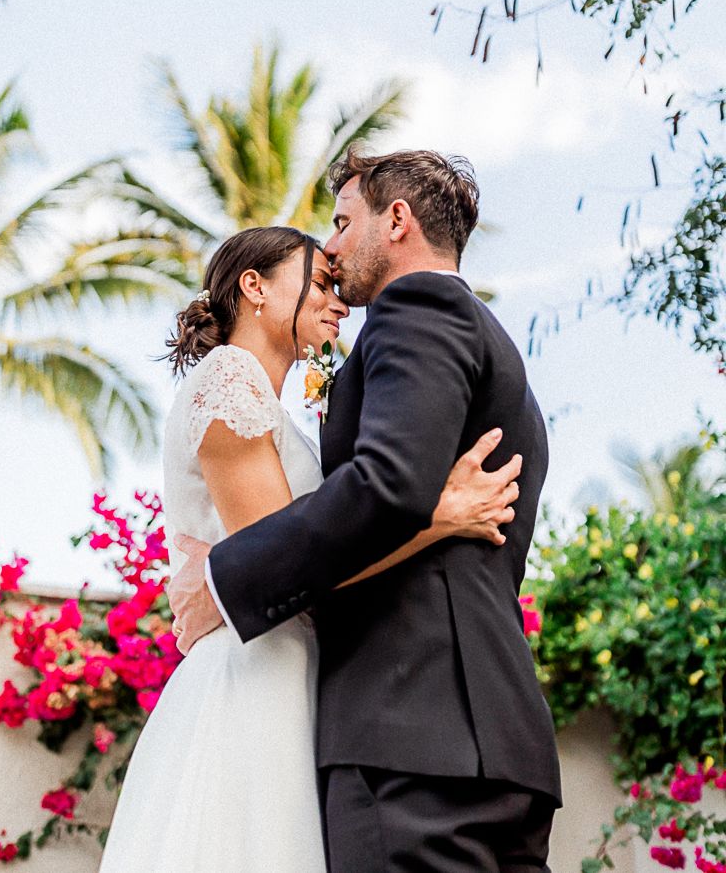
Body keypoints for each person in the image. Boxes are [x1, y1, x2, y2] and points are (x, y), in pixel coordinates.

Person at [171, 151, 561, 872]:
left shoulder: (420, 309)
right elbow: (410, 501)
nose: (336, 250)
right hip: (493, 741)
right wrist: (437, 515)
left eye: (345, 224)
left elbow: (388, 486)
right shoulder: (503, 364)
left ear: (399, 220)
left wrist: (227, 583)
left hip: (408, 736)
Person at [97, 224, 523, 870]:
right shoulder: (230, 380)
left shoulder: (269, 406)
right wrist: (438, 517)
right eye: (320, 282)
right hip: (255, 675)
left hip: (292, 668)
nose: (339, 302)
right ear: (255, 287)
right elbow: (289, 558)